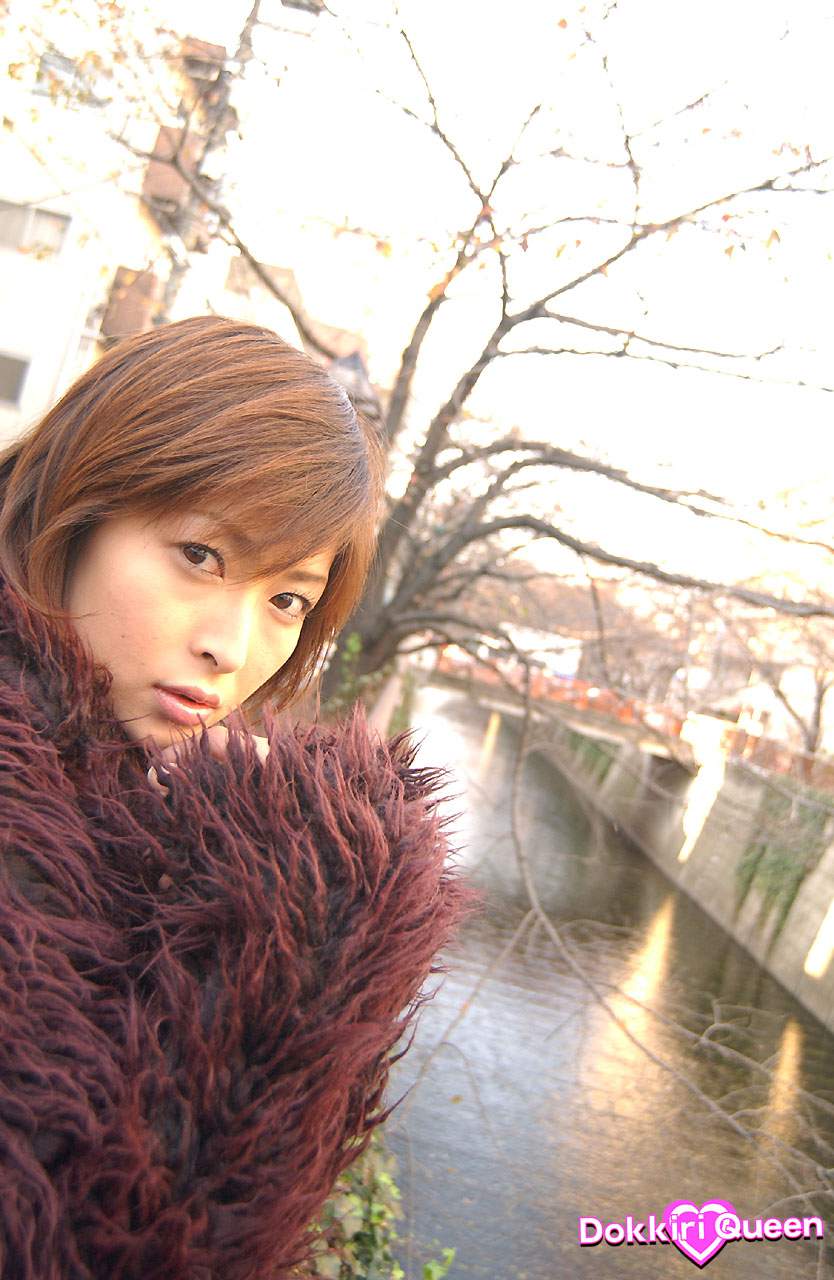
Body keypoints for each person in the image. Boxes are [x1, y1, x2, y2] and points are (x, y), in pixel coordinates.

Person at [0, 316, 477, 1279]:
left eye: (287, 600)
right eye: (202, 556)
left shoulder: (102, 790)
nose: (231, 646)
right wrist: (321, 919)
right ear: (79, 502)